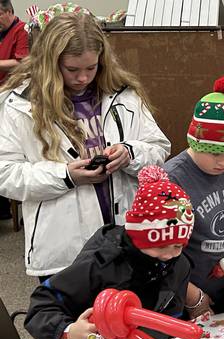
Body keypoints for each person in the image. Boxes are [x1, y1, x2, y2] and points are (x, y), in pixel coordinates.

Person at [0, 11, 170, 280]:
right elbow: (6, 174)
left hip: (127, 239)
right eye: (72, 69)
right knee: (74, 321)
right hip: (63, 250)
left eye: (91, 68)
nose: (83, 78)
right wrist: (66, 176)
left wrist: (129, 153)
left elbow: (159, 147)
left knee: (126, 316)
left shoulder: (123, 94)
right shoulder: (20, 104)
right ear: (50, 63)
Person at [24, 166, 193, 339]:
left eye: (178, 246)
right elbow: (40, 306)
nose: (170, 255)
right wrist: (69, 332)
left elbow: (173, 312)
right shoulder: (100, 264)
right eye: (161, 245)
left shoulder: (179, 265)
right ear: (138, 237)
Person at [165, 74, 224, 317]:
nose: (222, 162)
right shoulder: (172, 179)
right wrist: (192, 297)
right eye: (214, 153)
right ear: (195, 140)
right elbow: (158, 256)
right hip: (185, 299)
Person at [0, 0, 29, 220]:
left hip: (10, 92)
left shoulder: (21, 31)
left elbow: (22, 63)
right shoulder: (2, 31)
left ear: (9, 12)